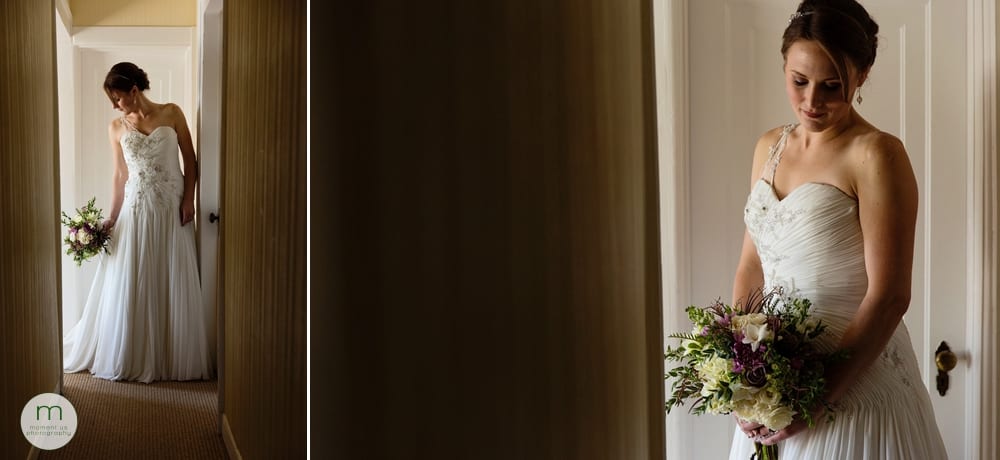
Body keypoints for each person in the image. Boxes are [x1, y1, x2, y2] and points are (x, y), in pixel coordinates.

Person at [728, 0, 947, 458]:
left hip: (851, 384)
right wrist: (745, 369)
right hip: (777, 382)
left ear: (862, 74)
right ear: (785, 65)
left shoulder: (877, 155)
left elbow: (890, 296)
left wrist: (817, 401)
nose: (812, 102)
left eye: (832, 86)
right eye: (799, 81)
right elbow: (752, 265)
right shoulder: (769, 146)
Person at [63, 62, 214, 383]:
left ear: (134, 90)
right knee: (136, 276)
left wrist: (190, 200)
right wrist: (111, 217)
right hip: (135, 210)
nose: (116, 105)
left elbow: (191, 159)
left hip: (172, 209)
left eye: (118, 98)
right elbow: (120, 175)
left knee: (170, 275)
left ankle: (171, 357)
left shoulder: (172, 113)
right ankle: (135, 353)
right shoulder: (116, 127)